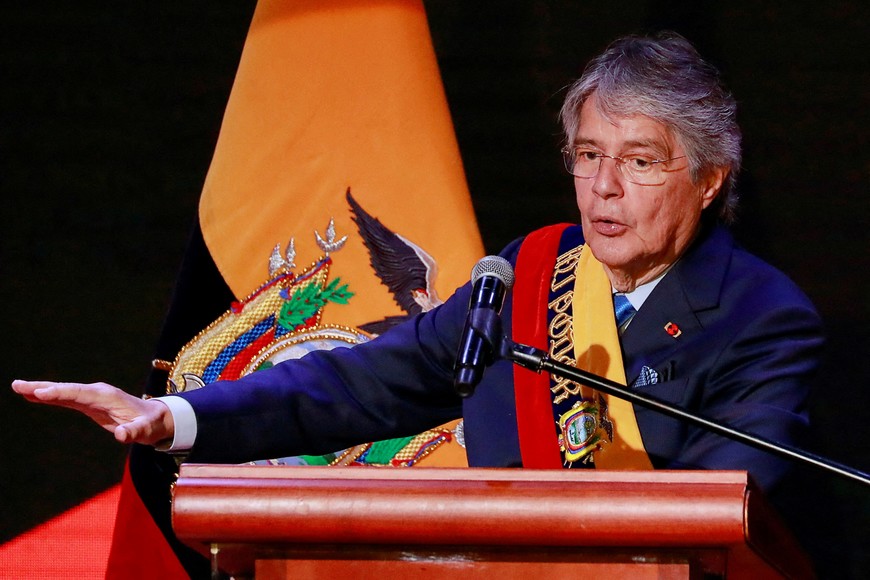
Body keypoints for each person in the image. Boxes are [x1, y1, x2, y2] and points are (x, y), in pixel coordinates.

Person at [12, 32, 823, 493]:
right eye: (587, 154)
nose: (603, 187)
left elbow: (728, 510)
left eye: (640, 161)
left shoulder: (764, 318)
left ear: (710, 179)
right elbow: (361, 384)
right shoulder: (530, 272)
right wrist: (173, 417)